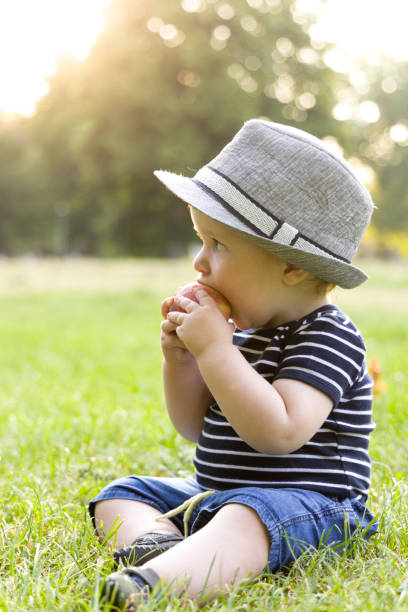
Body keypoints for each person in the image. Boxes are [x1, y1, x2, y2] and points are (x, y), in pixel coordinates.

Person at [89, 120, 377, 610]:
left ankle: (157, 584)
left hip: (312, 505)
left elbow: (279, 431)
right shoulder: (238, 330)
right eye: (201, 241)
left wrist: (215, 352)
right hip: (216, 490)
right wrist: (181, 360)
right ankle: (158, 546)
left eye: (218, 244)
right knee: (122, 493)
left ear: (293, 266)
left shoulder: (330, 334)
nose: (200, 263)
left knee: (248, 515)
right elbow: (192, 428)